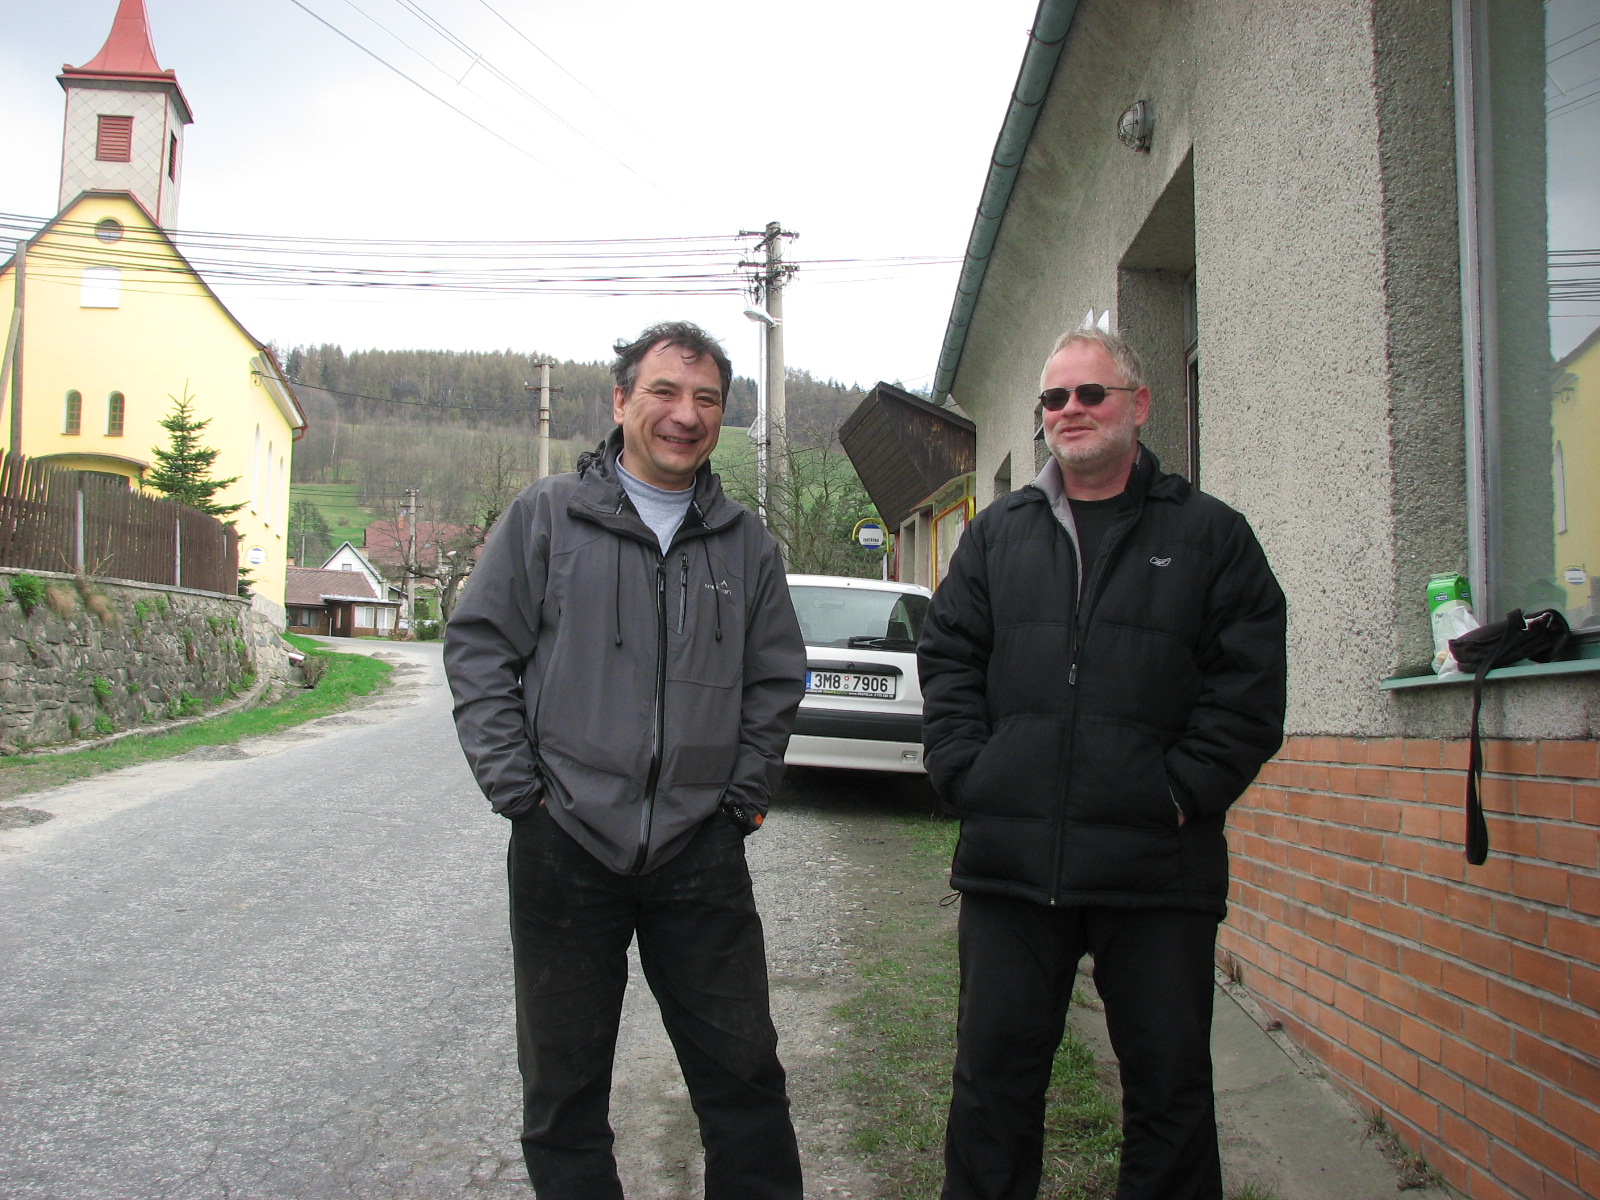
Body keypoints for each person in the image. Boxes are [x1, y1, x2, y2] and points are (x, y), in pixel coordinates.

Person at [918, 328, 1287, 1200]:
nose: (1071, 411)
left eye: (1091, 393)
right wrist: (970, 772)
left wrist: (1178, 792)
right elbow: (950, 658)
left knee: (1169, 1096)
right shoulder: (997, 535)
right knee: (992, 1089)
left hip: (1155, 865)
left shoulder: (1212, 537)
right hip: (1015, 864)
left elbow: (1247, 690)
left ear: (1139, 405)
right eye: (1055, 399)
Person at [444, 321, 806, 1200]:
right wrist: (519, 793)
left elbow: (775, 680)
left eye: (707, 399)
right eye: (665, 392)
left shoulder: (746, 544)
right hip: (564, 845)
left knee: (745, 1082)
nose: (686, 415)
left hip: (700, 850)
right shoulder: (547, 518)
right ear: (620, 401)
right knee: (563, 1094)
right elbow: (481, 650)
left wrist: (742, 800)